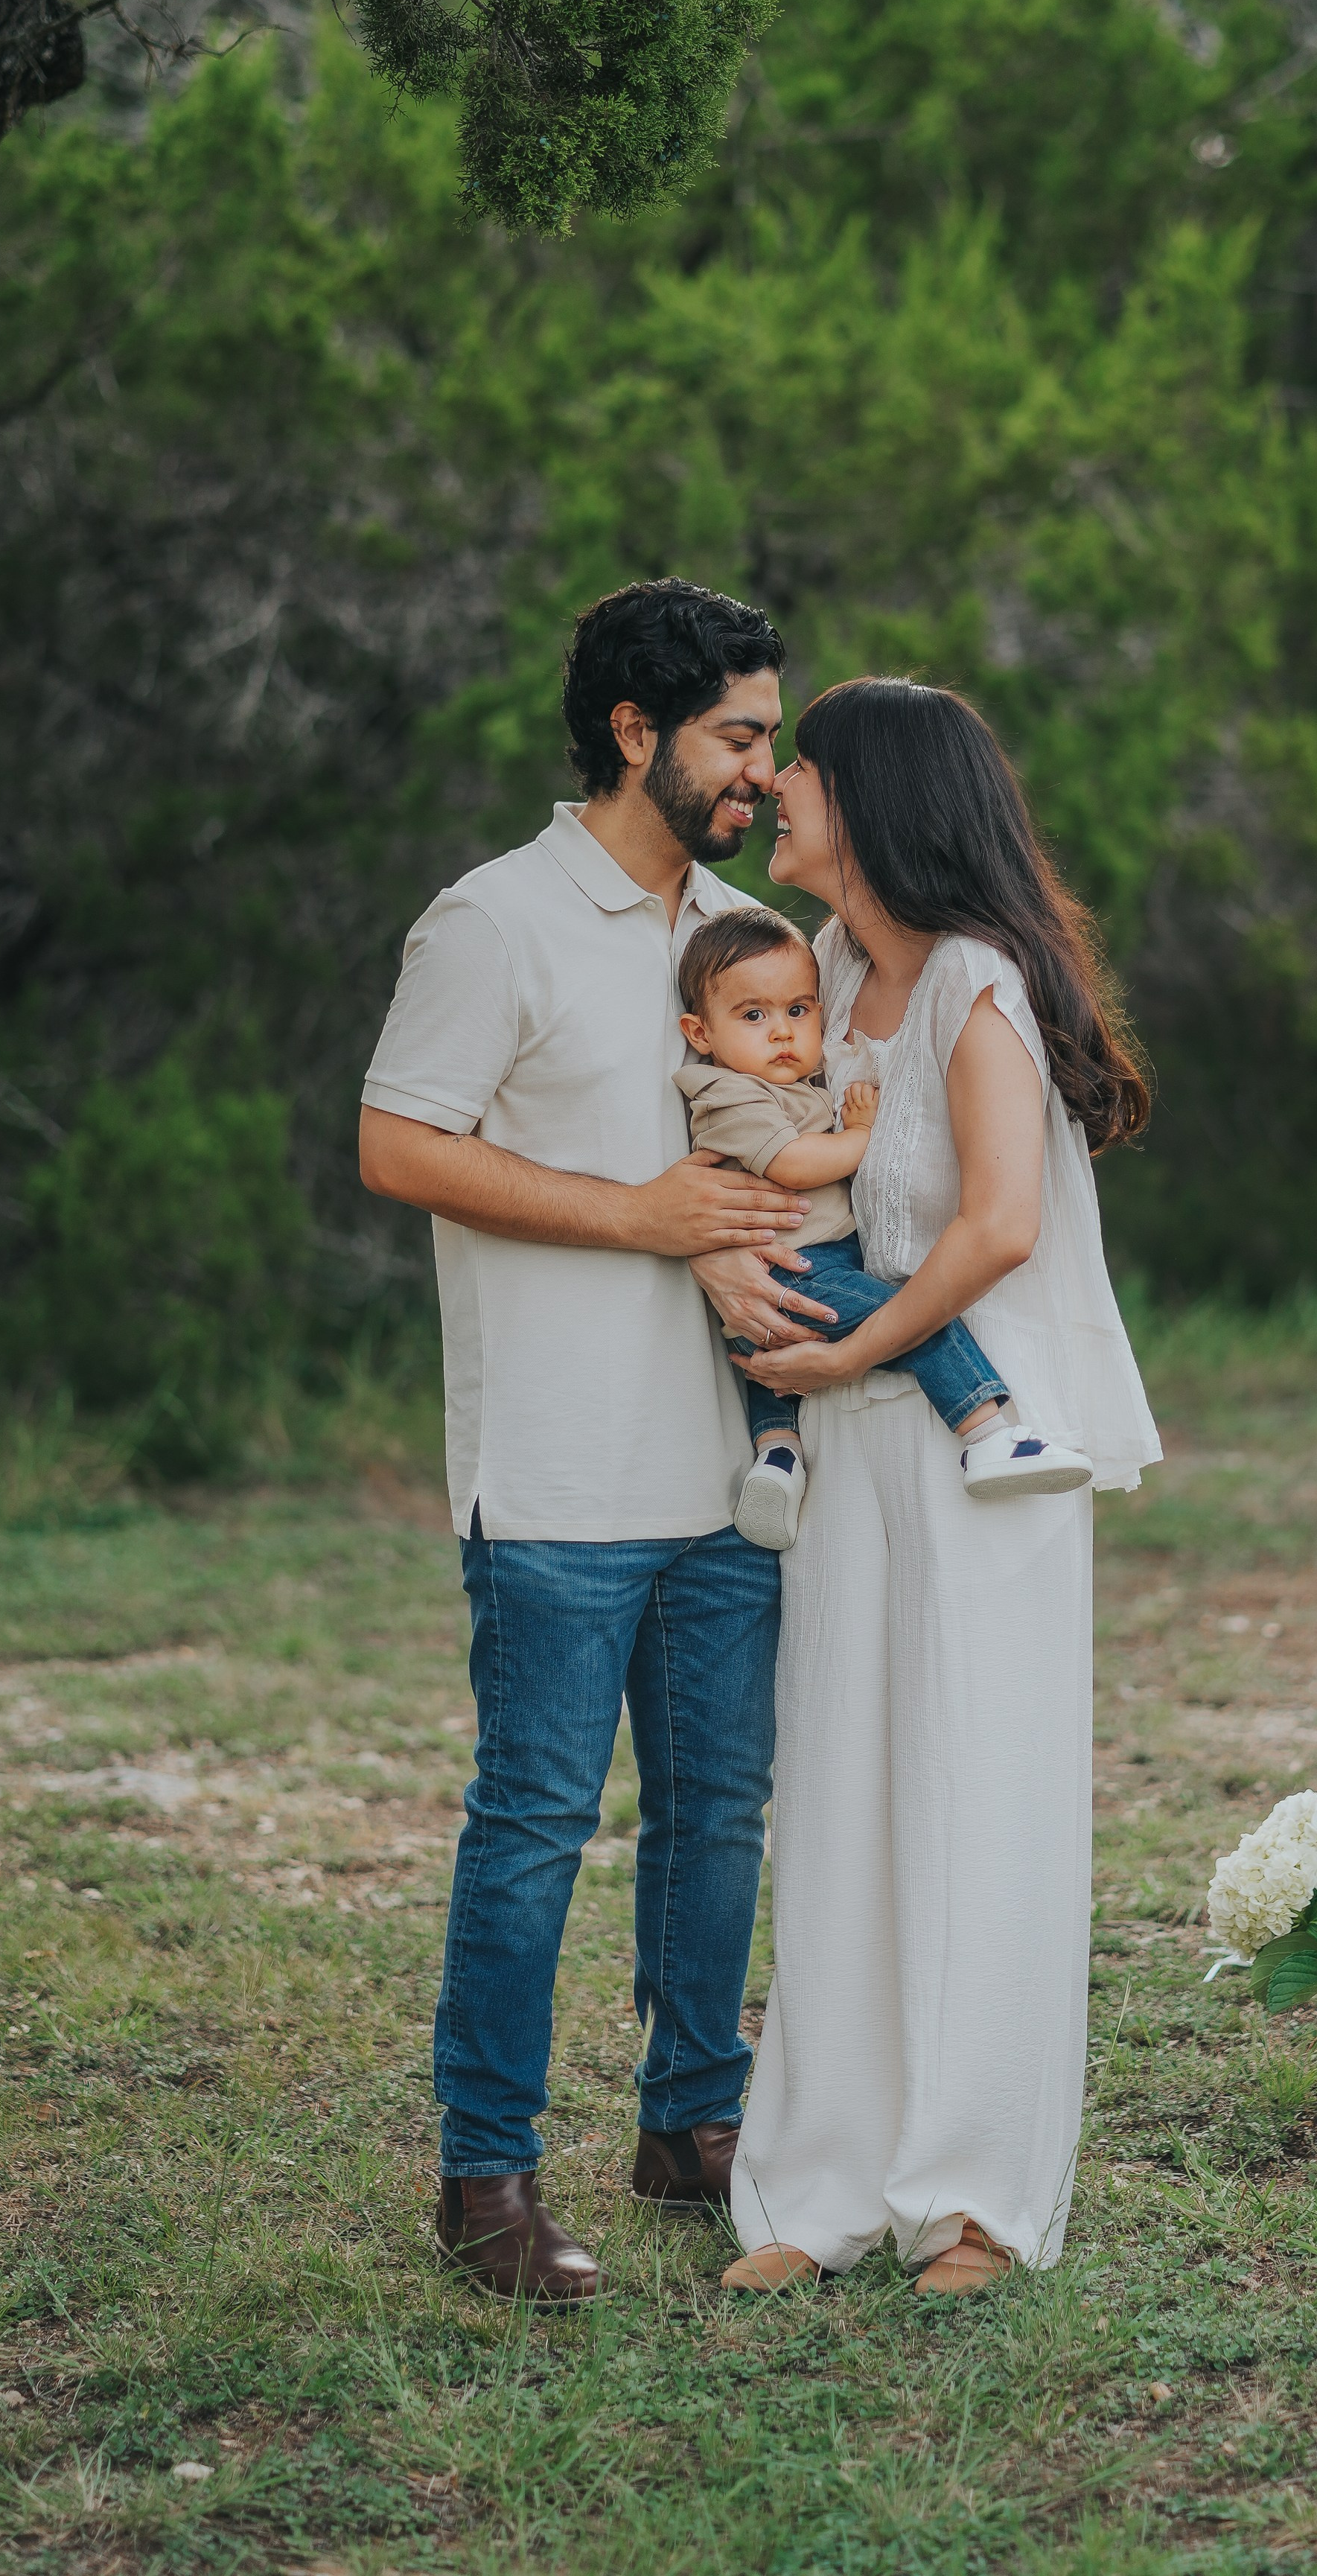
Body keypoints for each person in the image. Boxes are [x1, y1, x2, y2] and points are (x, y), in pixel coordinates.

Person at [358, 576, 838, 2305]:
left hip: (727, 1473)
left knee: (717, 1810)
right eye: (734, 735)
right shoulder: (491, 923)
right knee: (537, 1818)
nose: (758, 771)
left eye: (767, 738)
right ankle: (484, 2180)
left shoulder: (734, 932)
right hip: (557, 1473)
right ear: (634, 728)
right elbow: (399, 1149)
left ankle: (691, 2124)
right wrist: (634, 1219)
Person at [718, 677, 1162, 2300]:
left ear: (876, 799)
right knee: (840, 1796)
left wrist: (857, 1354)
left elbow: (997, 1225)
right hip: (850, 1449)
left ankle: (970, 2197)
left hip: (983, 1451)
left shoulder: (975, 981)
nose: (779, 795)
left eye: (803, 773)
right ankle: (817, 2185)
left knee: (976, 1801)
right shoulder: (823, 971)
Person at [673, 902, 1096, 1551]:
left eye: (798, 1010)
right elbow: (791, 1164)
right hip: (801, 1265)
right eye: (752, 1015)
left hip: (799, 1267)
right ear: (699, 1033)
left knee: (776, 1373)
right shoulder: (728, 1094)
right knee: (913, 1319)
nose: (782, 1032)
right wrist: (862, 1135)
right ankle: (985, 1435)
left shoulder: (788, 1083)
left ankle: (778, 1460)